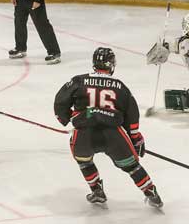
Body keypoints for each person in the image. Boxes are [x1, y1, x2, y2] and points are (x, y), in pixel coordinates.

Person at [54, 47, 163, 208]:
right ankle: (151, 192)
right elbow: (132, 114)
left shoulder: (78, 81)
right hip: (114, 136)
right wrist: (135, 138)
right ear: (111, 65)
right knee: (132, 166)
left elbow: (60, 102)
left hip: (84, 135)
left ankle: (97, 190)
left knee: (84, 161)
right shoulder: (119, 86)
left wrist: (68, 118)